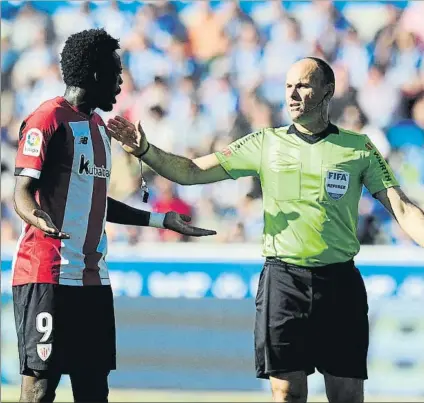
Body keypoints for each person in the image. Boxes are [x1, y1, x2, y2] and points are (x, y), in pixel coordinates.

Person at [108, 56, 424, 403]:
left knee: (346, 395)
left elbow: (403, 207)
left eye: (302, 85)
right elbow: (192, 171)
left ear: (327, 91)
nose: (292, 94)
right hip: (283, 280)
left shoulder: (358, 147)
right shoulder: (264, 143)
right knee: (287, 392)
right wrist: (146, 151)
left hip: (339, 283)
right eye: (288, 86)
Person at [12, 28, 216, 403]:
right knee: (39, 391)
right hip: (48, 275)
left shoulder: (101, 130)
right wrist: (36, 216)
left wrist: (161, 220)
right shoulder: (48, 119)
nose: (121, 83)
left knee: (94, 392)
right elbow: (21, 191)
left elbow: (97, 201)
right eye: (116, 73)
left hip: (93, 281)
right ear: (94, 73)